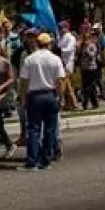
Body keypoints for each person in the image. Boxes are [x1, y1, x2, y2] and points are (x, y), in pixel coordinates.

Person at [18, 31, 66, 171]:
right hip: (50, 95)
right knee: (50, 129)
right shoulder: (55, 59)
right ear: (48, 44)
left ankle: (32, 160)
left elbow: (24, 81)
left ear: (38, 44)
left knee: (33, 129)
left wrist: (23, 98)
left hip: (34, 95)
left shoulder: (30, 59)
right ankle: (46, 160)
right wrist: (60, 97)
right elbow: (60, 81)